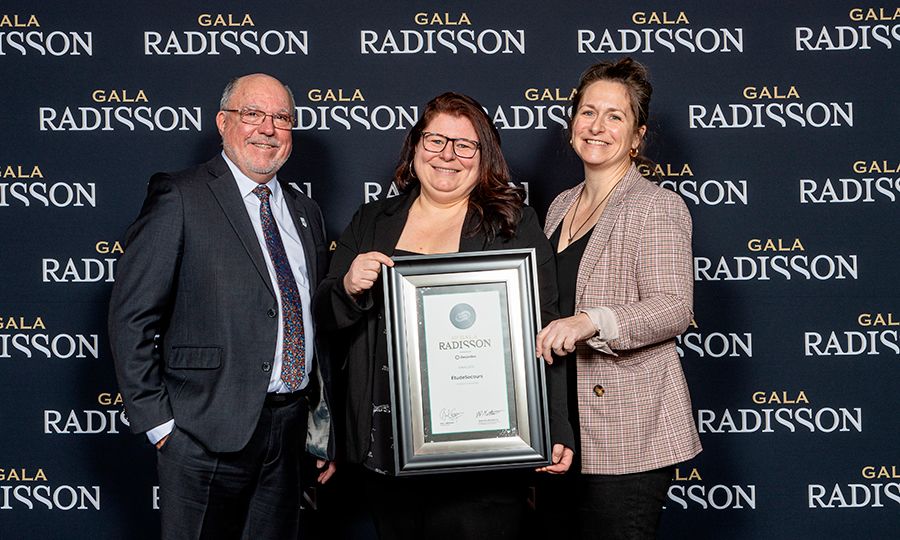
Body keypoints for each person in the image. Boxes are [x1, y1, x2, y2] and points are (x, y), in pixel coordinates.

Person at [315, 92, 574, 539]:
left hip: (486, 449)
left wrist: (555, 424)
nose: (447, 156)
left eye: (464, 145)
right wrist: (348, 287)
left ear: (483, 156)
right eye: (435, 140)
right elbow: (324, 317)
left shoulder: (513, 225)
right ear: (415, 147)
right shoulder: (373, 220)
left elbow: (545, 329)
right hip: (388, 445)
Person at [108, 73, 335, 539]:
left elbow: (310, 320)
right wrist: (161, 425)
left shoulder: (304, 212)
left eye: (281, 118)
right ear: (223, 122)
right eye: (252, 114)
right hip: (201, 431)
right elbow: (131, 317)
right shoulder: (181, 195)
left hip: (289, 433)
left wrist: (320, 429)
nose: (267, 128)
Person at [535, 58, 702, 539]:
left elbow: (674, 306)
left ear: (636, 137)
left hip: (630, 430)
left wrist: (592, 320)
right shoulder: (561, 205)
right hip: (563, 426)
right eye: (588, 112)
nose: (597, 126)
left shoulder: (657, 205)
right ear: (572, 126)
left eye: (615, 116)